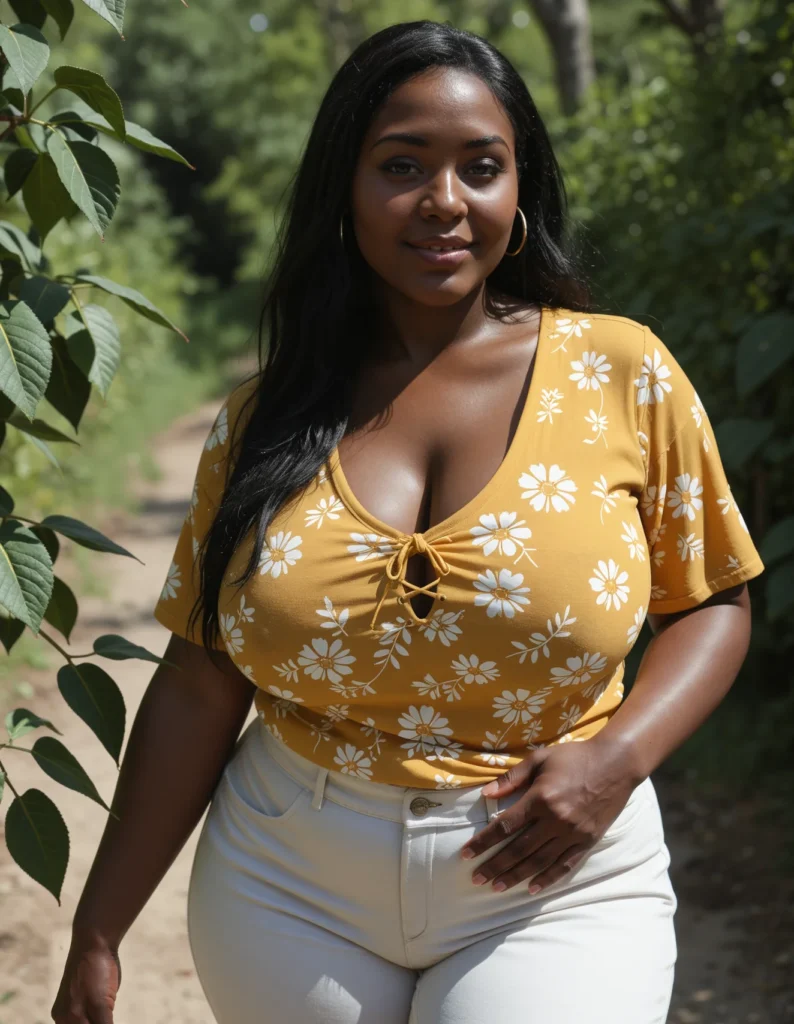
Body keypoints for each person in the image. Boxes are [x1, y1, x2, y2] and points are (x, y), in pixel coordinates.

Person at [52, 19, 765, 1024]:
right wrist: (99, 928)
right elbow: (199, 678)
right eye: (400, 165)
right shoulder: (265, 419)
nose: (443, 201)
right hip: (285, 880)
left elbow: (714, 599)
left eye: (480, 167)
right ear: (343, 190)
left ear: (518, 194)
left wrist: (615, 759)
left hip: (551, 883)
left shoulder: (620, 372)